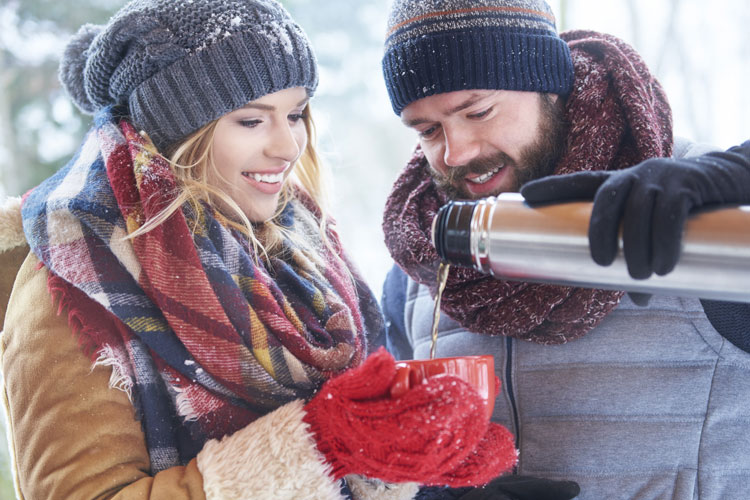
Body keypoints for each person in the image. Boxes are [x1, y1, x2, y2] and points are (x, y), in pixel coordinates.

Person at [0, 1, 519, 499]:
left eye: (295, 115)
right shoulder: (77, 279)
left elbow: (348, 472)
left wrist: (412, 475)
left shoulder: (306, 256)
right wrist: (315, 444)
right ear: (176, 132)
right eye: (252, 120)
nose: (288, 145)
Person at [378, 0, 750, 499]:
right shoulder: (418, 265)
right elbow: (391, 459)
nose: (456, 152)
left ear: (548, 83)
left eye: (478, 110)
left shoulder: (698, 206)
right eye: (427, 130)